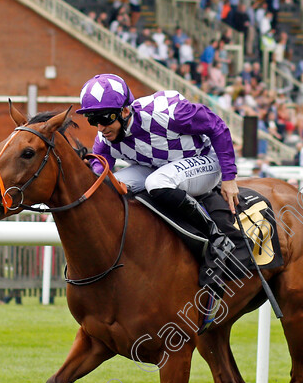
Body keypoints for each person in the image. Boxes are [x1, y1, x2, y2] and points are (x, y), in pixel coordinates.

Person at [76, 73, 239, 260]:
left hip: (204, 160)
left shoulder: (170, 113)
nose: (100, 128)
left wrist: (229, 178)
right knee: (110, 185)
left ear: (125, 112)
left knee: (157, 182)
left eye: (104, 119)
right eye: (92, 120)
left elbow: (217, 126)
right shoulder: (104, 139)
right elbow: (100, 162)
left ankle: (216, 236)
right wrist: (94, 171)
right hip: (158, 167)